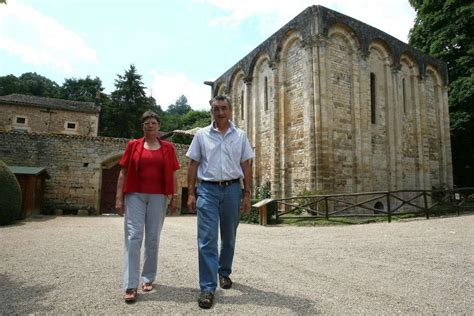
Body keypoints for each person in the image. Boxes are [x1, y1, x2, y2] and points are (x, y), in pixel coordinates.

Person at [186, 95, 254, 309]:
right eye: (216, 109)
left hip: (233, 189)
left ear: (231, 110)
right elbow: (192, 164)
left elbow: (246, 166)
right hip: (207, 189)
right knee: (206, 239)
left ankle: (224, 272)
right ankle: (207, 287)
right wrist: (190, 193)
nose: (221, 112)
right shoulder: (201, 136)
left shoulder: (240, 136)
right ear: (211, 111)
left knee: (229, 237)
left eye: (224, 108)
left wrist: (247, 194)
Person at [115, 111, 180, 303]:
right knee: (134, 236)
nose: (150, 126)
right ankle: (130, 284)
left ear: (159, 127)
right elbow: (123, 172)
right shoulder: (132, 145)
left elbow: (175, 173)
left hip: (159, 197)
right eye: (147, 123)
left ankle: (148, 277)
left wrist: (175, 196)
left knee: (153, 237)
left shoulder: (168, 148)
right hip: (135, 194)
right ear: (142, 127)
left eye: (154, 123)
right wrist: (119, 198)